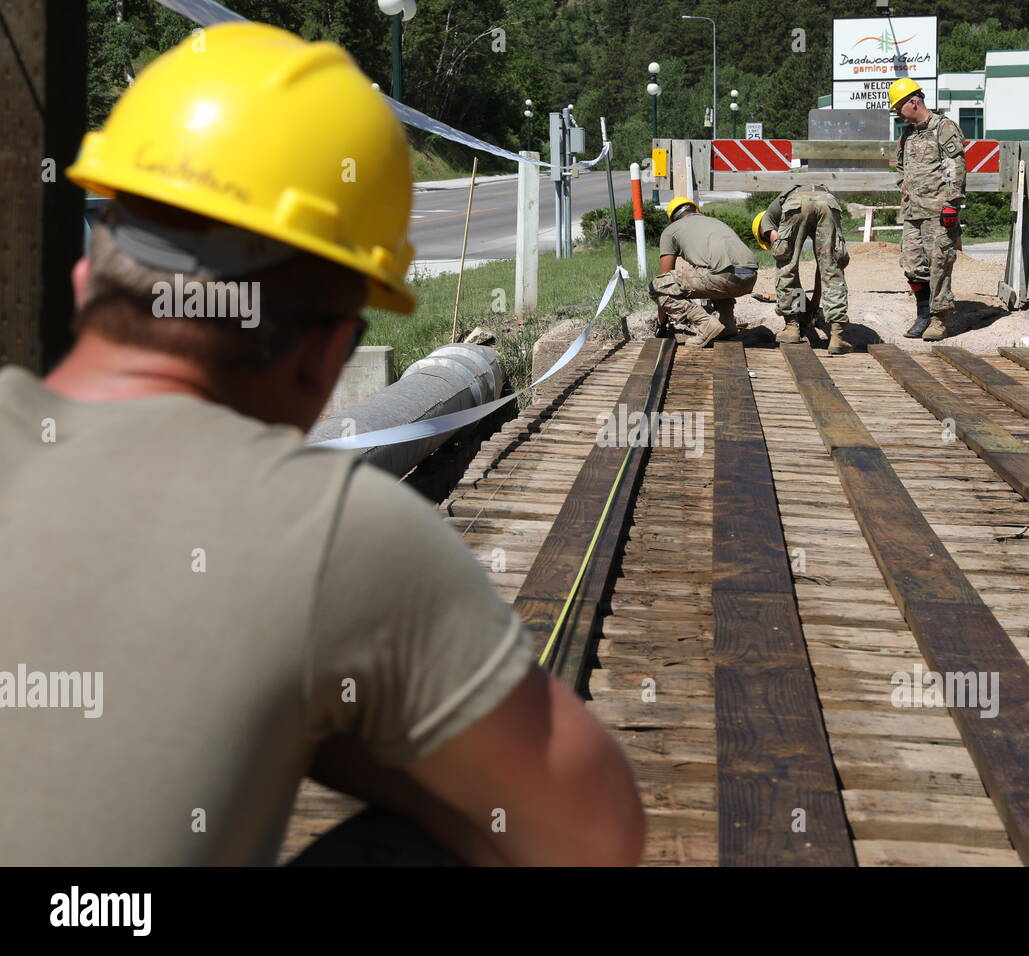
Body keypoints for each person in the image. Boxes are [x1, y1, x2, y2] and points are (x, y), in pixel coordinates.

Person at [0, 22, 644, 867]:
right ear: (326, 356)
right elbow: (591, 834)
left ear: (89, 278)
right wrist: (315, 723)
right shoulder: (336, 535)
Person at [890, 77, 967, 341]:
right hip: (913, 213)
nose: (897, 113)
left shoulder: (943, 127)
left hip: (938, 212)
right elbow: (901, 167)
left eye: (898, 107)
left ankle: (939, 319)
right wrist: (905, 188)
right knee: (912, 265)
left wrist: (951, 204)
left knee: (939, 265)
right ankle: (923, 314)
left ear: (913, 102)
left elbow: (954, 167)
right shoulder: (908, 134)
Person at [752, 184, 852, 353]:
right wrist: (810, 305)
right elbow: (823, 270)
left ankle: (791, 329)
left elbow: (790, 267)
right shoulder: (781, 203)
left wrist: (799, 310)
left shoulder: (767, 220)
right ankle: (837, 337)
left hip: (797, 204)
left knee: (787, 265)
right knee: (832, 268)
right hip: (828, 203)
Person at [649, 198, 757, 348]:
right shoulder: (716, 222)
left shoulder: (671, 231)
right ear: (697, 211)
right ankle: (727, 324)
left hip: (722, 278)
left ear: (672, 220)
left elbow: (664, 277)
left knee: (657, 285)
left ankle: (705, 325)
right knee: (712, 269)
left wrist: (662, 323)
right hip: (749, 277)